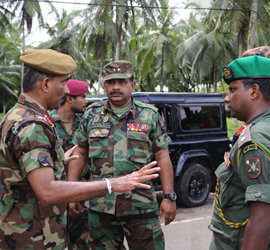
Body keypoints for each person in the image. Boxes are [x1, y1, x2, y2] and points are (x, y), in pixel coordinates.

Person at [0, 49, 160, 250]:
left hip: (20, 229)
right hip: (33, 237)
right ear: (46, 84)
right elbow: (47, 191)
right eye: (64, 82)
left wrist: (56, 160)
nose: (67, 91)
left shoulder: (15, 115)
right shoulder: (33, 124)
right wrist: (112, 184)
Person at [68, 61, 176, 250]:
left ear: (132, 85)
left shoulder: (149, 115)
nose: (116, 87)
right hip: (100, 207)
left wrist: (168, 196)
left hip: (140, 206)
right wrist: (71, 193)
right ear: (104, 86)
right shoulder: (91, 115)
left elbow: (163, 156)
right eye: (111, 82)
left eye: (122, 82)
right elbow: (80, 154)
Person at [209, 55, 270, 249]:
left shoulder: (258, 140)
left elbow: (263, 217)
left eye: (233, 89)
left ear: (254, 92)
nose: (227, 97)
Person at [49, 79, 90, 249]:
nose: (86, 101)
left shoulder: (86, 123)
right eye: (83, 97)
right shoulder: (46, 123)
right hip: (53, 196)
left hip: (80, 196)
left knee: (83, 243)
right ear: (70, 99)